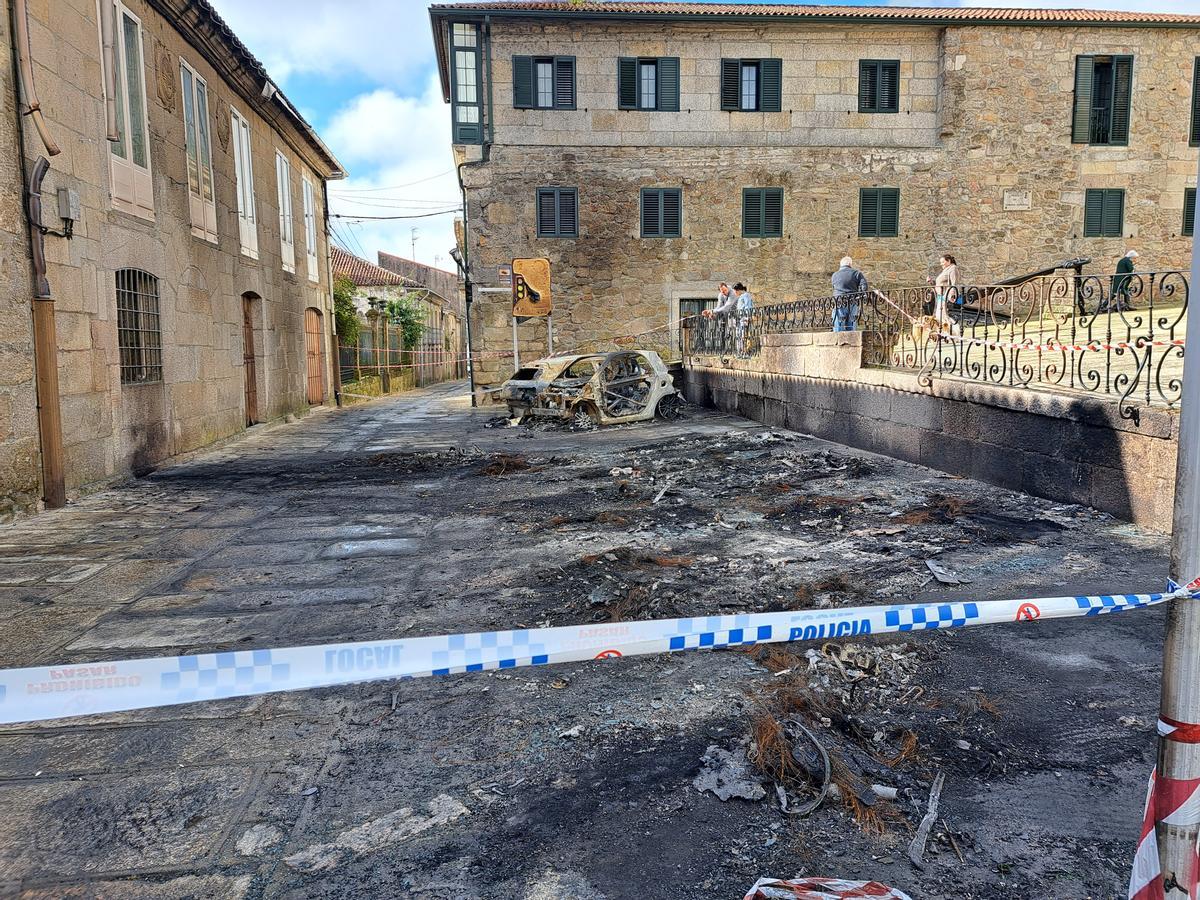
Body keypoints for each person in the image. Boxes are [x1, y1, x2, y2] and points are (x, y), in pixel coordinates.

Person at [831, 256, 869, 332]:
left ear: (841, 265)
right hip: (852, 301)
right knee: (851, 323)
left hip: (838, 301)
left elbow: (834, 286)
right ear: (849, 264)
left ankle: (838, 340)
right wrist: (861, 294)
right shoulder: (856, 273)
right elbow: (864, 286)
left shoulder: (834, 275)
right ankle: (851, 341)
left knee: (839, 324)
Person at [926, 254, 960, 327]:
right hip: (940, 295)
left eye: (943, 262)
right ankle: (943, 330)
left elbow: (954, 283)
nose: (941, 264)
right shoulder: (946, 270)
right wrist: (931, 282)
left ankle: (950, 330)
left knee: (943, 314)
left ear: (948, 261)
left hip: (945, 295)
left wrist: (952, 295)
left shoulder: (953, 268)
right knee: (939, 314)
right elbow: (939, 283)